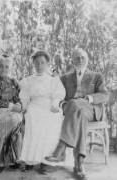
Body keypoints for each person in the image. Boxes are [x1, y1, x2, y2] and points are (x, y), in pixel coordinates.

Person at [45, 48, 109, 179]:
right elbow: (58, 95)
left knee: (75, 103)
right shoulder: (65, 78)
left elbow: (105, 94)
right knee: (77, 109)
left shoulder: (97, 76)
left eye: (83, 57)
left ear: (87, 59)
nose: (80, 60)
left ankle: (61, 148)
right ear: (72, 60)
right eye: (77, 58)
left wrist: (89, 98)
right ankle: (79, 163)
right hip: (75, 112)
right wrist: (63, 105)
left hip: (91, 110)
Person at [19, 50, 66, 175]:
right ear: (33, 64)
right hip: (33, 105)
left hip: (49, 105)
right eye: (37, 63)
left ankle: (45, 161)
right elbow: (24, 97)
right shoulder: (27, 81)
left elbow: (57, 95)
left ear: (47, 64)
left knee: (53, 119)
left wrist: (55, 105)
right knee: (32, 120)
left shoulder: (53, 80)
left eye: (42, 63)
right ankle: (30, 160)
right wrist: (24, 107)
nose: (40, 66)